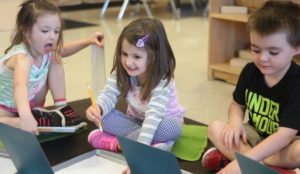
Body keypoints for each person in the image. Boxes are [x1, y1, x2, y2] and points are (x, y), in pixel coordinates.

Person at [202, 1, 300, 174]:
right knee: (215, 128)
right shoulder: (250, 71)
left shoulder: (297, 83)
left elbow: (284, 136)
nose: (263, 58)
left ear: (296, 48)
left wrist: (245, 159)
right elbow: (237, 105)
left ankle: (241, 162)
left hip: (283, 145)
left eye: (273, 52)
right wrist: (235, 122)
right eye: (256, 50)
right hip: (253, 136)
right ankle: (264, 169)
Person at [0, 0, 104, 135]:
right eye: (45, 30)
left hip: (28, 100)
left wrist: (89, 41)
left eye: (56, 31)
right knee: (8, 122)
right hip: (5, 103)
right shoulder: (22, 57)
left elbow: (63, 50)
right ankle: (19, 120)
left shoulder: (45, 49)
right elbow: (20, 85)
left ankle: (62, 108)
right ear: (26, 31)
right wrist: (25, 117)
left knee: (55, 56)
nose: (52, 36)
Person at [86, 17, 184, 154]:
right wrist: (99, 108)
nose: (128, 62)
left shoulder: (162, 79)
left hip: (160, 123)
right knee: (102, 118)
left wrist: (139, 150)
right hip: (135, 121)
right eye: (124, 54)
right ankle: (157, 145)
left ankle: (116, 144)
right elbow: (109, 93)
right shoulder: (122, 70)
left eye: (136, 57)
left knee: (173, 128)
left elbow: (153, 117)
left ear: (154, 57)